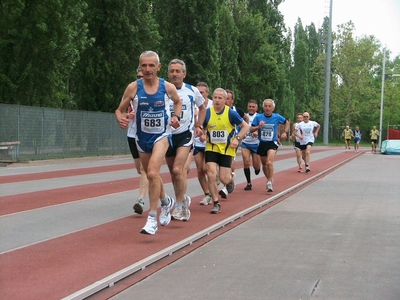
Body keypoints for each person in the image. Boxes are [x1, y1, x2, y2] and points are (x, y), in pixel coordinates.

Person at [115, 50, 182, 235]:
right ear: (140, 67)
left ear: (158, 67)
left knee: (152, 172)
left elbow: (178, 101)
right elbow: (119, 110)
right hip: (141, 137)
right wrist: (121, 118)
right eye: (144, 65)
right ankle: (166, 200)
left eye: (151, 65)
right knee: (151, 175)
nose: (147, 69)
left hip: (162, 136)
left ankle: (152, 217)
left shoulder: (166, 87)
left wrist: (176, 117)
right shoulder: (133, 88)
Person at [166, 59, 206, 221]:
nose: (175, 74)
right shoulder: (163, 90)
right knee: (173, 174)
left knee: (178, 169)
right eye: (172, 71)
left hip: (185, 135)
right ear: (168, 73)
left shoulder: (192, 91)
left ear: (184, 73)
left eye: (178, 71)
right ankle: (182, 199)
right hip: (167, 136)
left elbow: (202, 108)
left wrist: (199, 125)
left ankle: (181, 205)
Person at [203, 88, 249, 214]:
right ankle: (216, 202)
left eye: (220, 98)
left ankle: (229, 181)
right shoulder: (207, 112)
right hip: (211, 147)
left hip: (227, 149)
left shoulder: (230, 113)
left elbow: (245, 126)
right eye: (215, 98)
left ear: (225, 100)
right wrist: (201, 133)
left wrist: (237, 139)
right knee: (211, 174)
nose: (217, 100)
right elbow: (200, 126)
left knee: (223, 178)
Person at [250, 99, 289, 192]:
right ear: (263, 107)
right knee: (264, 164)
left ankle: (269, 182)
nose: (267, 108)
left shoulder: (277, 117)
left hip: (272, 142)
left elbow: (286, 122)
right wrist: (258, 128)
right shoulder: (258, 117)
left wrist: (285, 132)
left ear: (273, 108)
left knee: (269, 162)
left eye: (269, 106)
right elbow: (251, 129)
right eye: (266, 106)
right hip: (262, 143)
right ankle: (269, 178)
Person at [126, 67, 149, 214]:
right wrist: (126, 116)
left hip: (147, 135)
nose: (141, 77)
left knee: (145, 169)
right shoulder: (131, 89)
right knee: (140, 169)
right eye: (138, 75)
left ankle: (141, 199)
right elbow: (121, 110)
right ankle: (155, 186)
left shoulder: (155, 91)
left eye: (143, 75)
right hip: (132, 133)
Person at [219, 89, 249, 197]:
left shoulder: (237, 111)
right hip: (218, 142)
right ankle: (229, 178)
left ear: (232, 100)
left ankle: (226, 187)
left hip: (233, 141)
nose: (225, 101)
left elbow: (245, 119)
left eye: (228, 98)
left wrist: (243, 132)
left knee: (229, 162)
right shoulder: (216, 110)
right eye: (224, 98)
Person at [195, 82, 214, 205]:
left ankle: (214, 190)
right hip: (196, 141)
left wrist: (206, 135)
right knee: (200, 170)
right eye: (197, 92)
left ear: (207, 93)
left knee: (209, 170)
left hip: (211, 143)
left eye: (201, 92)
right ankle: (207, 194)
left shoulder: (213, 105)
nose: (199, 94)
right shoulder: (192, 104)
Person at [241, 100, 261, 190]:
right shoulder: (244, 117)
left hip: (256, 144)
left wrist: (257, 132)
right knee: (246, 162)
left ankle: (257, 168)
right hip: (245, 143)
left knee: (256, 166)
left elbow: (264, 129)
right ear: (247, 107)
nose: (251, 108)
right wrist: (242, 134)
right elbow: (239, 126)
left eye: (253, 107)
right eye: (250, 106)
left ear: (256, 108)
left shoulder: (259, 117)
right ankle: (249, 183)